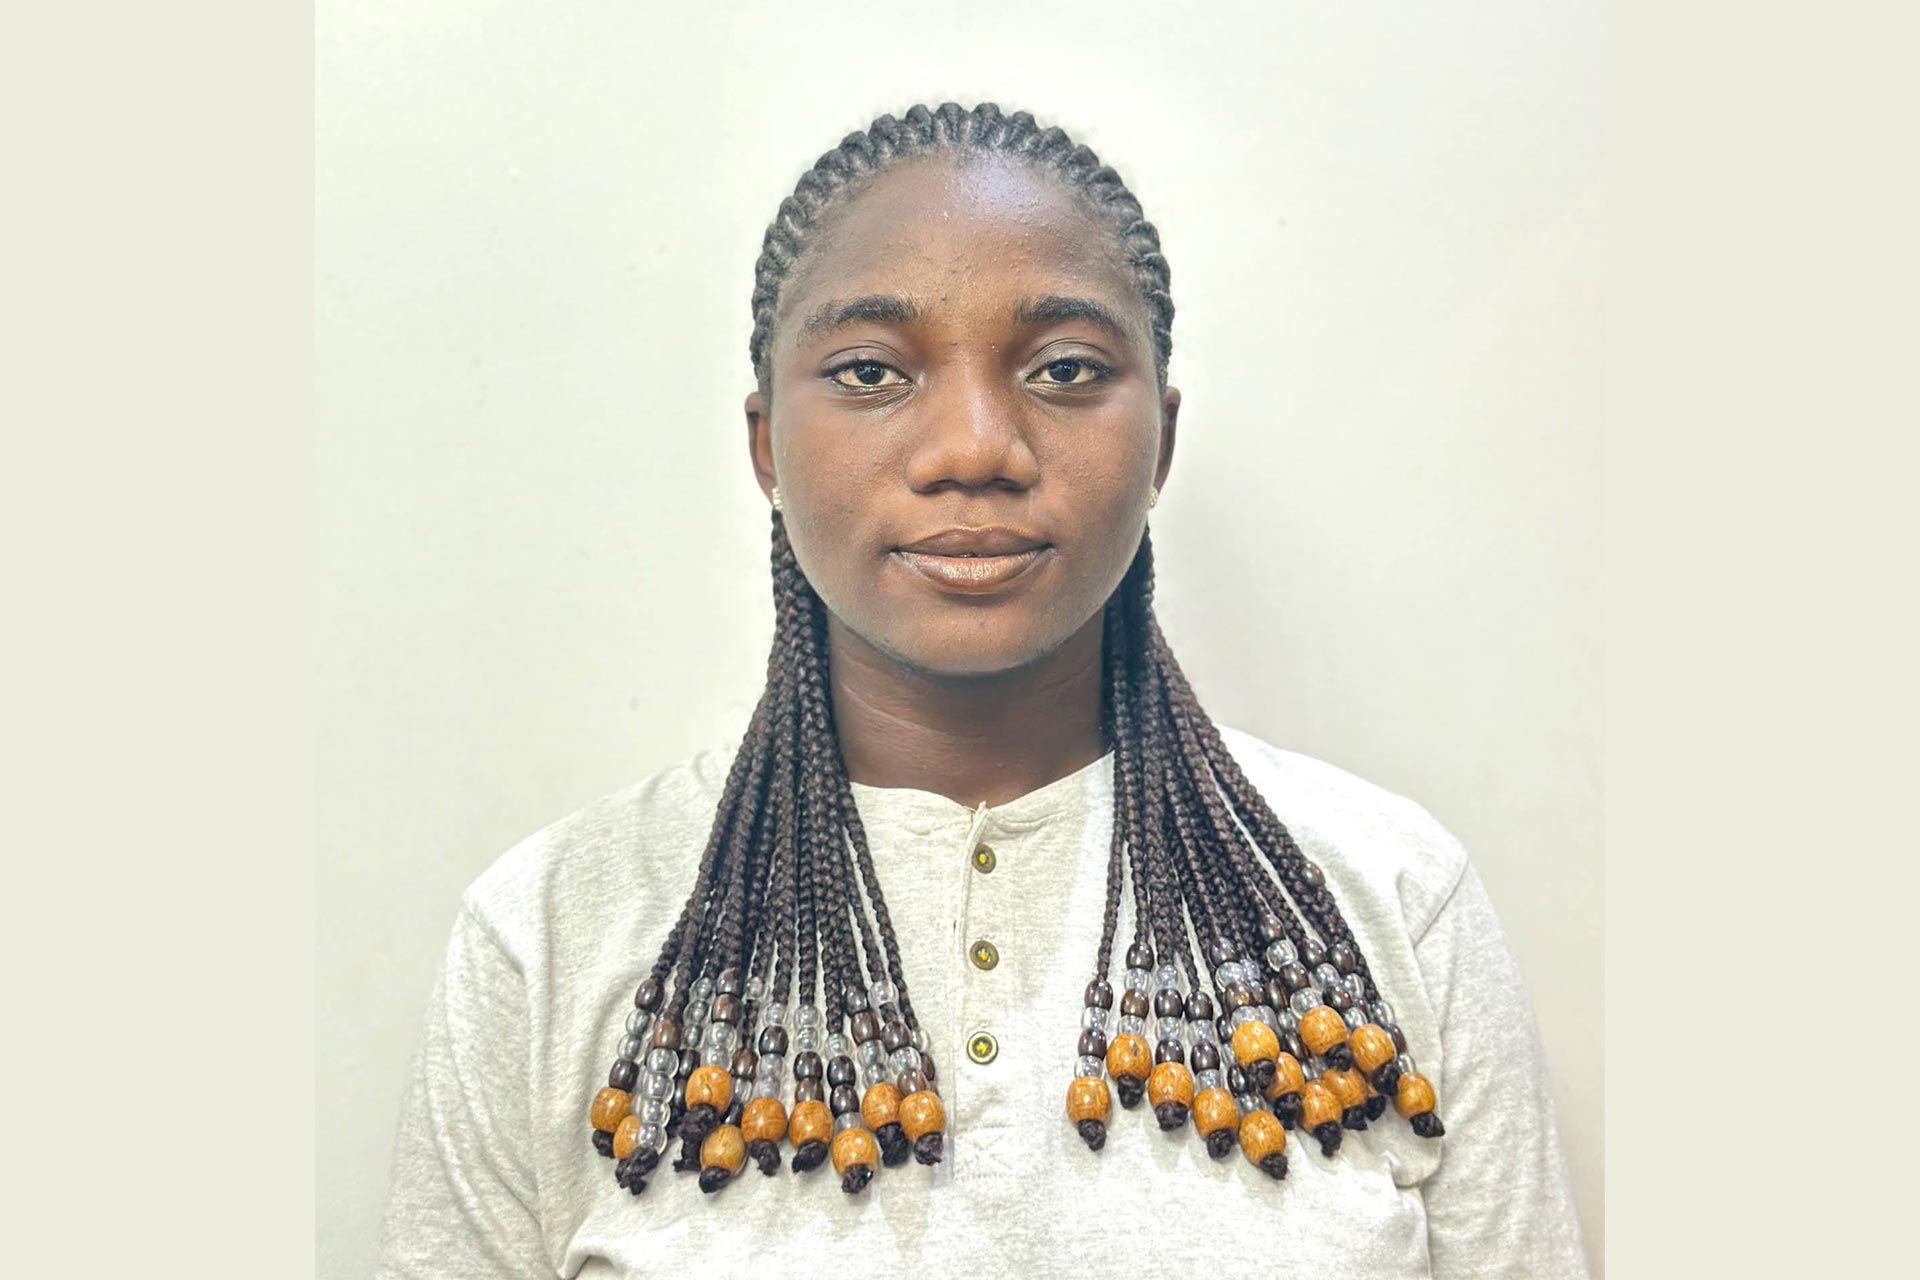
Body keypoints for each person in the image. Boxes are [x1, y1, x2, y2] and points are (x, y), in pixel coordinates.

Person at [374, 101, 1590, 1279]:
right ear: (766, 448)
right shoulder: (549, 933)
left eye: (1064, 367)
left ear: (1160, 440)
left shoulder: (1389, 895)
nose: (973, 446)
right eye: (869, 371)